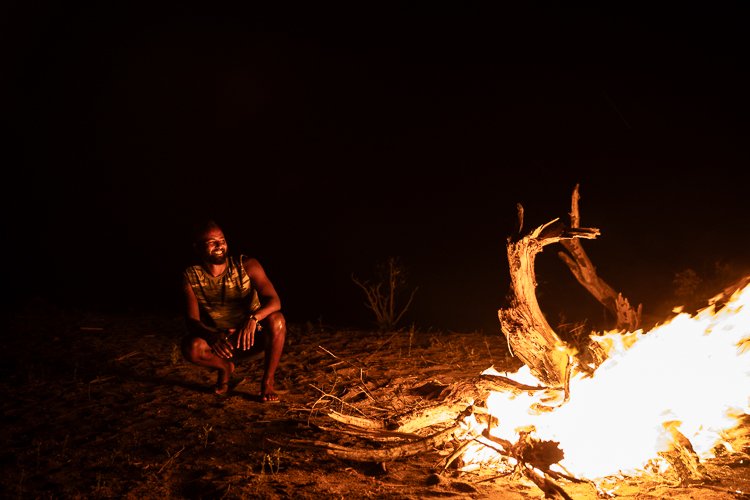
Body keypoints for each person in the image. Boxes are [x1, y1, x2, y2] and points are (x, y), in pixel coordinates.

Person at [180, 219, 286, 401]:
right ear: (197, 248)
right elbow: (192, 321)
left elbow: (275, 301)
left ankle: (267, 382)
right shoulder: (191, 276)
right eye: (211, 242)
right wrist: (213, 336)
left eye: (222, 240)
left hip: (255, 337)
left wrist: (253, 319)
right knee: (192, 347)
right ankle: (225, 368)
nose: (219, 245)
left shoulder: (247, 265)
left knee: (277, 320)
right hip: (223, 343)